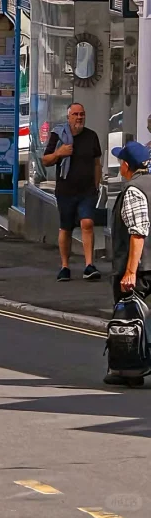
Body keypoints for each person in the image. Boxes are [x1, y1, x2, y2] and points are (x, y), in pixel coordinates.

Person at [105, 141, 151, 385]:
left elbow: (138, 232)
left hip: (140, 269)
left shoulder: (134, 190)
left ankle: (130, 371)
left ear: (126, 165)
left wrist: (130, 272)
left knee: (129, 321)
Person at [43, 101, 103, 281]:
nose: (79, 117)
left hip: (87, 191)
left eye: (82, 114)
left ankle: (89, 265)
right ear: (68, 117)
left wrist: (96, 186)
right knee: (66, 228)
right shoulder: (58, 136)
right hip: (66, 191)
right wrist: (59, 153)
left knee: (87, 223)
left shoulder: (91, 136)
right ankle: (65, 266)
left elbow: (96, 164)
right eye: (75, 114)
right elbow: (46, 160)